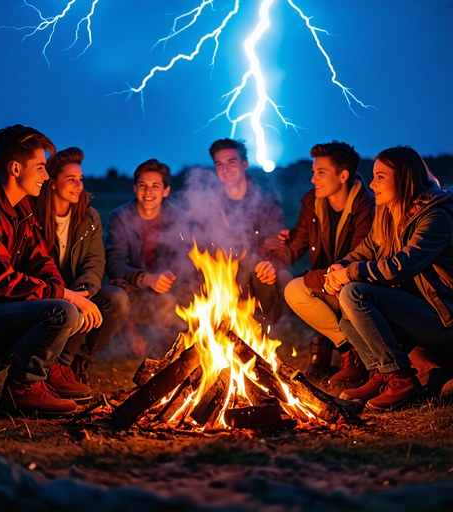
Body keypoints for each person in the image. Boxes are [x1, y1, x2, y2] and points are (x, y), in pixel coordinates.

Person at [0, 125, 102, 416]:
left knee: (65, 307)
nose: (45, 175)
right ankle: (23, 390)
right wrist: (64, 296)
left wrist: (64, 292)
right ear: (16, 168)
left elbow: (42, 263)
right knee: (59, 312)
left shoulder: (21, 212)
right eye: (40, 167)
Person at [324, 146, 453, 410]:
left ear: (404, 178)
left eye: (380, 176)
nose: (372, 183)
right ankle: (382, 374)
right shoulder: (388, 212)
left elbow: (400, 267)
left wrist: (348, 274)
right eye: (373, 175)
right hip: (418, 313)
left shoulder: (436, 216)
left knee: (355, 293)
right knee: (345, 301)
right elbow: (366, 250)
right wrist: (338, 267)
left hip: (444, 318)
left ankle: (401, 378)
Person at [267, 141, 374, 384]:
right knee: (293, 289)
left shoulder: (366, 209)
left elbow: (359, 261)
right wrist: (273, 262)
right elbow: (296, 244)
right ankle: (351, 353)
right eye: (313, 172)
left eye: (321, 173)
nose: (313, 178)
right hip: (327, 282)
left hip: (354, 287)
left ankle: (360, 356)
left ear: (343, 175)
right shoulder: (312, 203)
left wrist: (312, 278)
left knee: (302, 287)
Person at [33, 147, 129, 390]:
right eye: (71, 180)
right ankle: (56, 367)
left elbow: (95, 261)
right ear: (52, 183)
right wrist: (67, 294)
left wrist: (84, 289)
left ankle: (76, 363)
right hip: (46, 293)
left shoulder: (89, 216)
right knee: (70, 305)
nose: (78, 186)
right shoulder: (33, 215)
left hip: (79, 289)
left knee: (116, 299)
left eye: (81, 180)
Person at [195, 138, 286, 332]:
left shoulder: (266, 203)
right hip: (221, 270)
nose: (225, 169)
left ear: (244, 164)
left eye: (231, 162)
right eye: (219, 164)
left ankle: (266, 336)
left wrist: (269, 263)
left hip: (256, 269)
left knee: (268, 274)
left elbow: (278, 246)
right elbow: (198, 243)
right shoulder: (209, 204)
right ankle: (213, 335)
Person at [105, 158, 193, 357]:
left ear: (166, 190)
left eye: (155, 186)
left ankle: (178, 341)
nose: (149, 191)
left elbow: (190, 258)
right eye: (143, 186)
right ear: (135, 188)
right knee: (117, 289)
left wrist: (172, 275)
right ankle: (131, 337)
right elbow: (114, 263)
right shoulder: (120, 217)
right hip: (134, 290)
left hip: (170, 291)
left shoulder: (180, 219)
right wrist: (145, 278)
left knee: (176, 302)